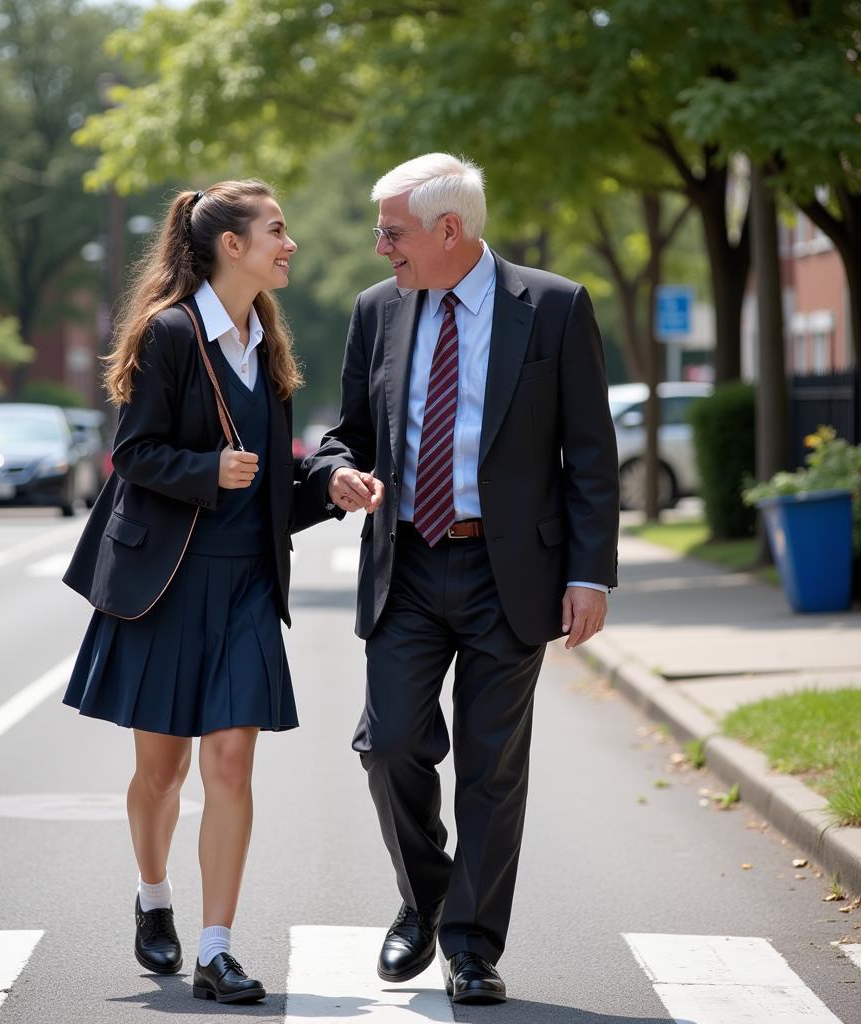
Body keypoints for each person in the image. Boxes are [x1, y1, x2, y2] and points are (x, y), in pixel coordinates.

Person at [305, 153, 619, 1004]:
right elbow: (351, 431)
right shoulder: (378, 312)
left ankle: (472, 945)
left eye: (393, 231)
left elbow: (590, 453)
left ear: (451, 230)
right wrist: (335, 471)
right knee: (390, 745)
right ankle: (426, 894)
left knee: (491, 765)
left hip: (507, 570)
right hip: (405, 562)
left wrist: (591, 573)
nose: (380, 248)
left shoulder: (553, 308)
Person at [62, 180, 331, 1003]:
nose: (290, 243)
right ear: (232, 245)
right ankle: (154, 898)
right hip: (168, 583)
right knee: (161, 772)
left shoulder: (269, 345)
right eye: (277, 230)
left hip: (247, 580)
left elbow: (275, 488)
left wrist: (334, 487)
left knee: (232, 761)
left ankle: (216, 948)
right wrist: (205, 469)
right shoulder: (171, 335)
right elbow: (134, 454)